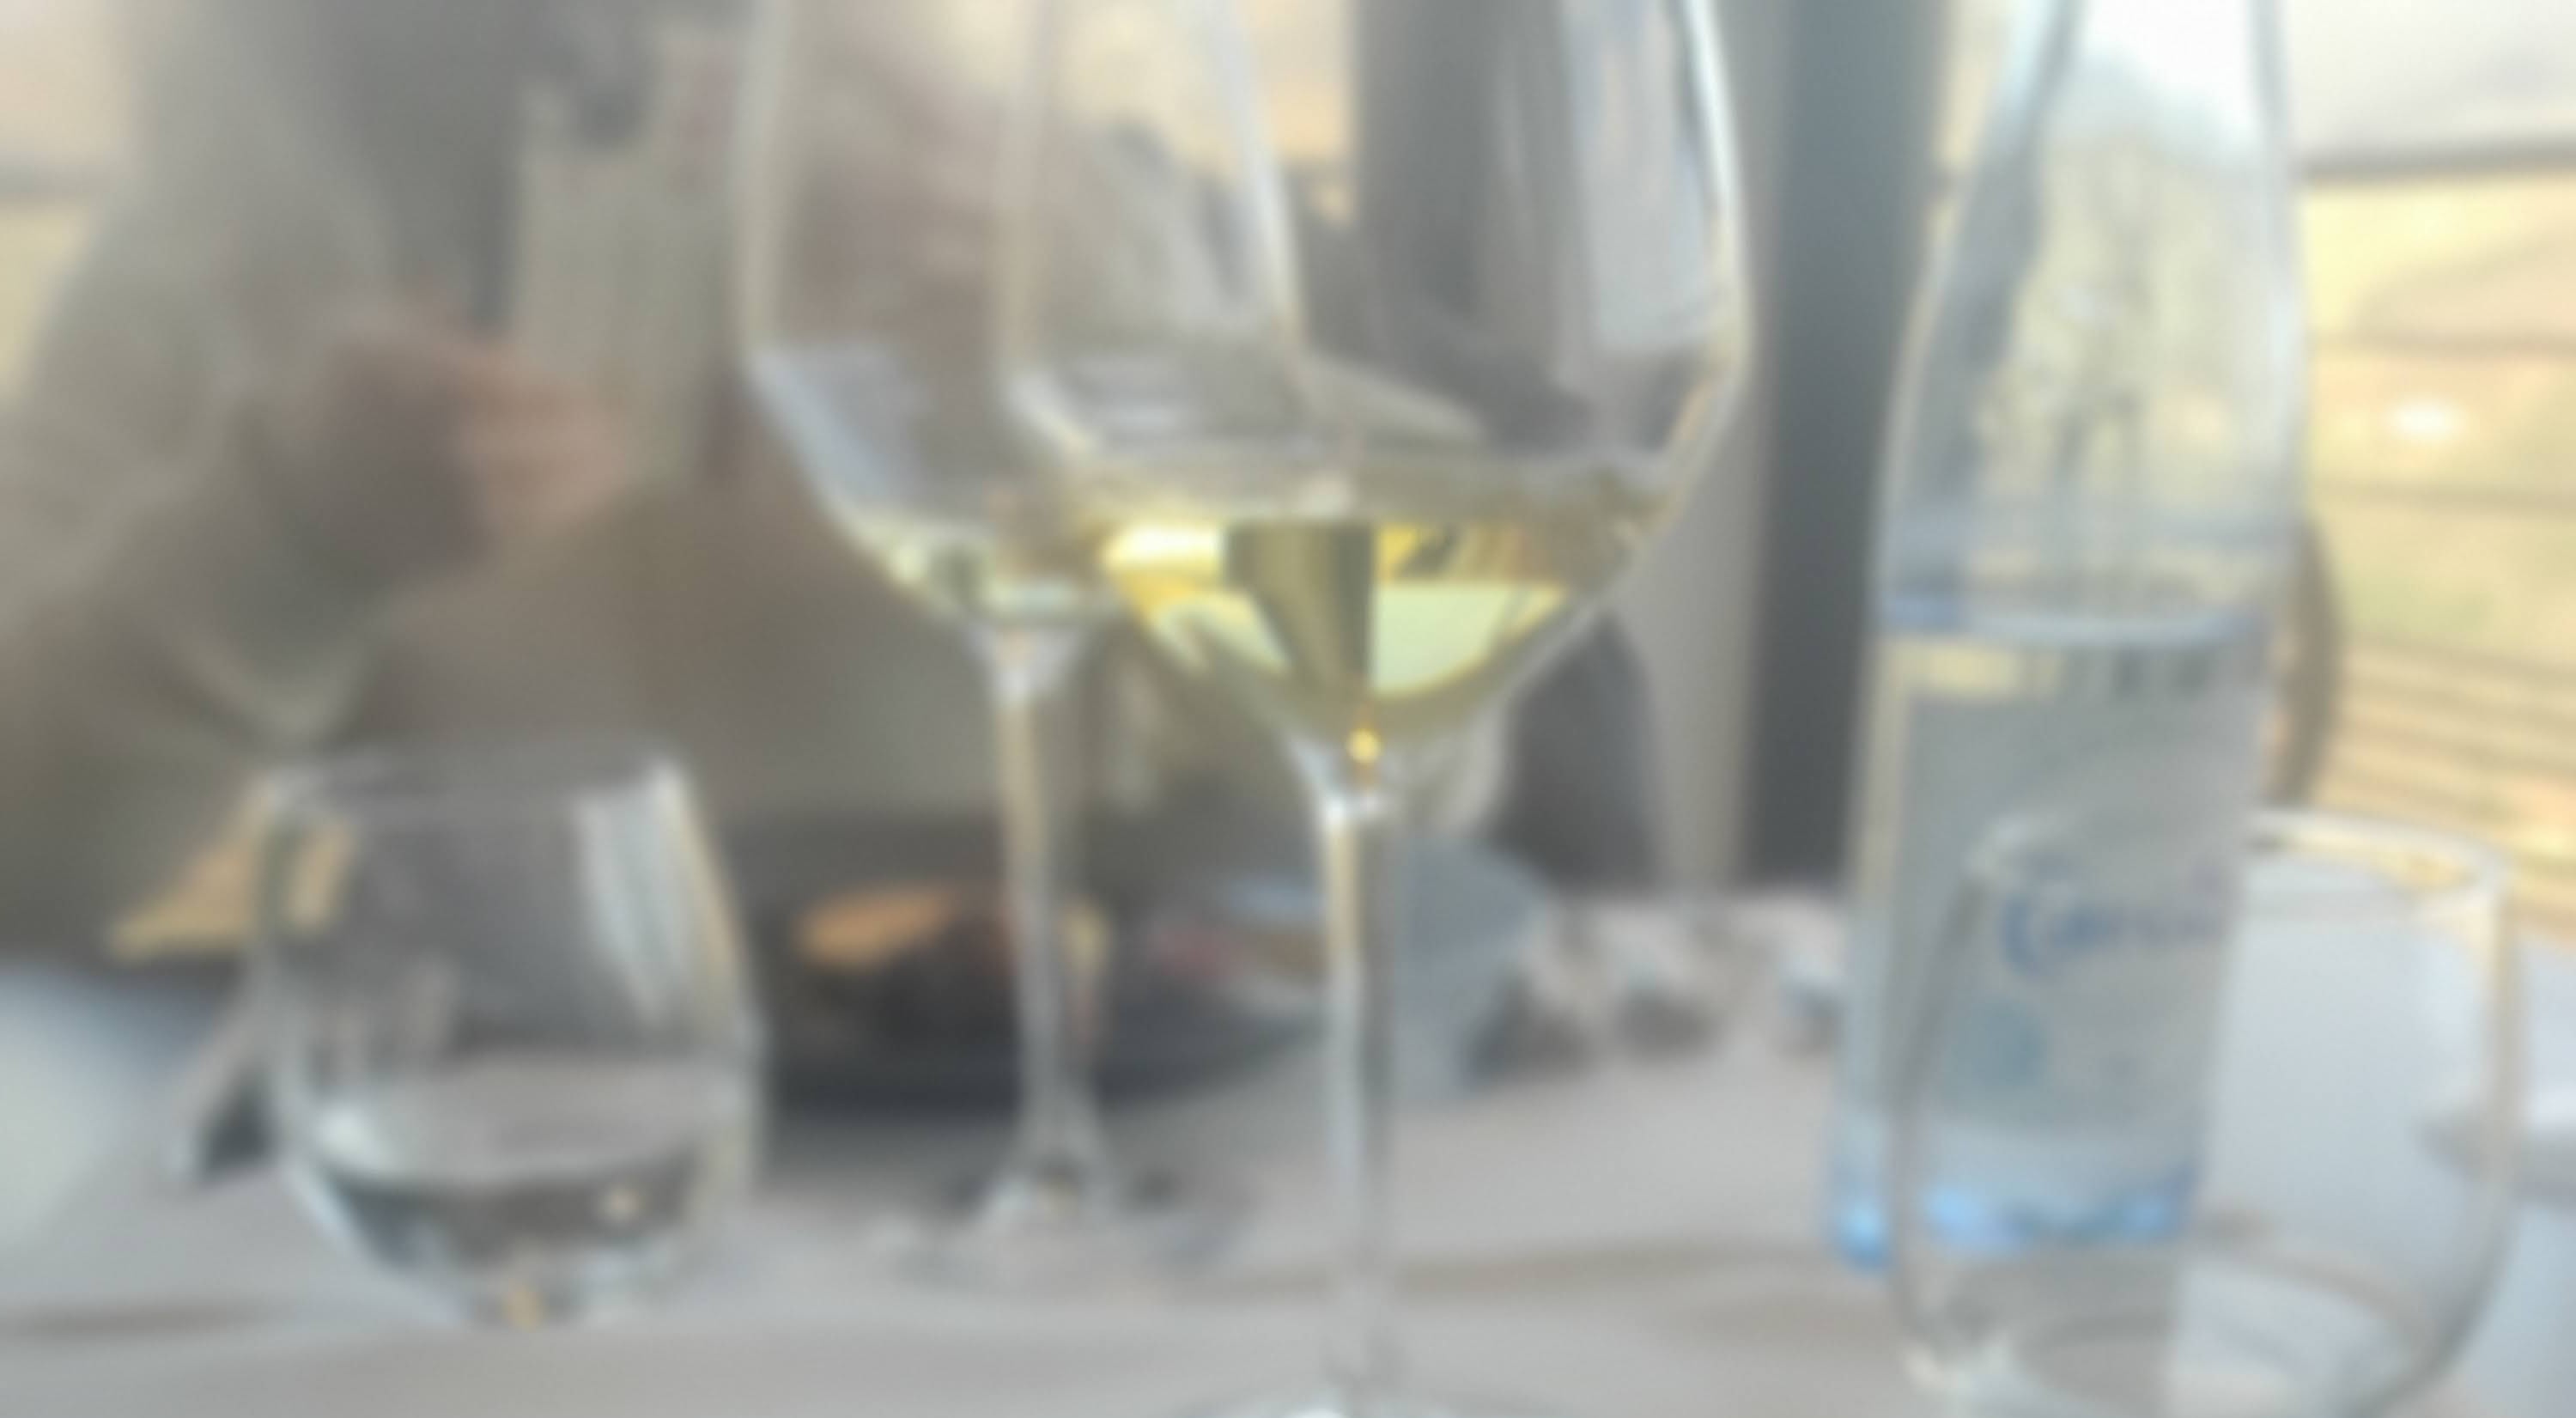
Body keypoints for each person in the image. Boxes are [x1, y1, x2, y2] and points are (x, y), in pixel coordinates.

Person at [0, 0, 1655, 956]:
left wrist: (1125, 359)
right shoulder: (219, 262)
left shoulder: (1036, 200)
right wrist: (285, 533)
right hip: (533, 1158)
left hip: (1044, 1119)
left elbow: (1417, 772)